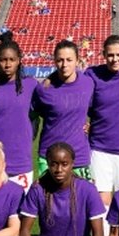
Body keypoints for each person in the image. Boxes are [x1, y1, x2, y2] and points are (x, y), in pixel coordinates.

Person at [14, 142, 105, 236]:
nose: (59, 169)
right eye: (54, 164)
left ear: (72, 164)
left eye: (64, 164)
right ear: (48, 164)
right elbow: (24, 230)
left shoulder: (87, 189)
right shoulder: (38, 188)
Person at [85, 35, 119, 220]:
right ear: (103, 55)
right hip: (99, 148)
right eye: (110, 55)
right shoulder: (92, 74)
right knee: (102, 201)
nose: (114, 59)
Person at [0, 40, 40, 192]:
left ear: (19, 61)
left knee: (21, 212)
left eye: (12, 60)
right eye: (3, 59)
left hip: (20, 160)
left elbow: (49, 111)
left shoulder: (30, 85)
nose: (7, 64)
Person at [32, 40, 95, 179]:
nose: (64, 64)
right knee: (48, 200)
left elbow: (98, 109)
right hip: (49, 156)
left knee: (81, 199)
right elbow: (32, 115)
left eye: (69, 60)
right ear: (54, 61)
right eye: (60, 60)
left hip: (79, 156)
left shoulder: (88, 84)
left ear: (77, 61)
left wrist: (93, 125)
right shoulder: (44, 89)